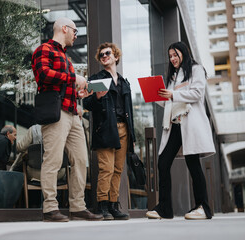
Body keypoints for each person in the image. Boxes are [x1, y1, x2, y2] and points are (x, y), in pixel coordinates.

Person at [31, 17, 103, 222]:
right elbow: (43, 75)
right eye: (75, 31)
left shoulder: (66, 57)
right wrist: (74, 79)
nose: (75, 35)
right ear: (64, 28)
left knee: (81, 159)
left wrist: (81, 92)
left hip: (73, 114)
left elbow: (65, 84)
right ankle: (50, 209)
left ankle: (78, 206)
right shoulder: (44, 49)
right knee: (52, 160)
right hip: (57, 113)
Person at [146, 41, 216, 220]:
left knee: (193, 164)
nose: (172, 59)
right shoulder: (173, 76)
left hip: (189, 123)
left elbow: (197, 93)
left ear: (183, 53)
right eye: (170, 56)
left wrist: (173, 94)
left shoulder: (196, 69)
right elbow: (169, 101)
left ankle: (203, 208)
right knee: (163, 162)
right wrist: (154, 95)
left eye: (175, 55)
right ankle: (164, 209)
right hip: (175, 125)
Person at [83, 42, 135, 220]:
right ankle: (102, 206)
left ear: (116, 57)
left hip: (123, 129)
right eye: (102, 55)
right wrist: (97, 98)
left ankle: (113, 206)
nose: (104, 56)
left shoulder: (124, 82)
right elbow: (86, 104)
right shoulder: (96, 79)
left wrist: (132, 135)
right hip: (105, 128)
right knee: (106, 169)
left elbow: (129, 111)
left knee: (119, 169)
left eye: (107, 54)